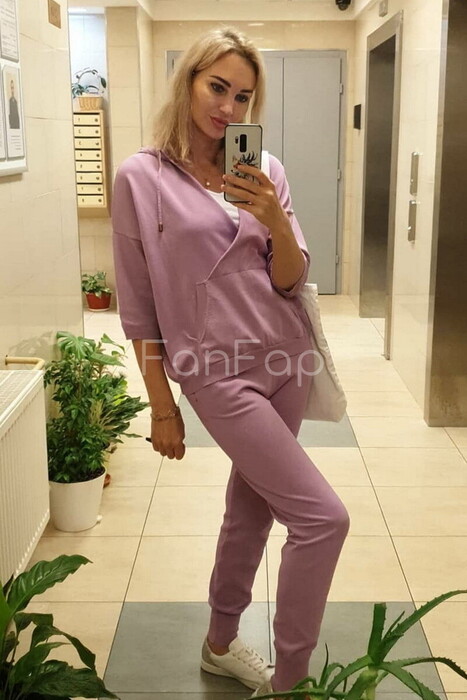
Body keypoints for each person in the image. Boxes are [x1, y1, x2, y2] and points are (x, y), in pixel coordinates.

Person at [111, 26, 350, 700]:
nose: (228, 107)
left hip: (286, 358)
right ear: (187, 82)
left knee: (251, 508)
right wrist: (162, 405)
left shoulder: (263, 168)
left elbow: (290, 278)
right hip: (214, 371)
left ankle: (219, 642)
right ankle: (291, 682)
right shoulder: (141, 177)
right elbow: (138, 306)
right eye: (217, 87)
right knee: (322, 519)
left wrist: (274, 216)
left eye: (242, 97)